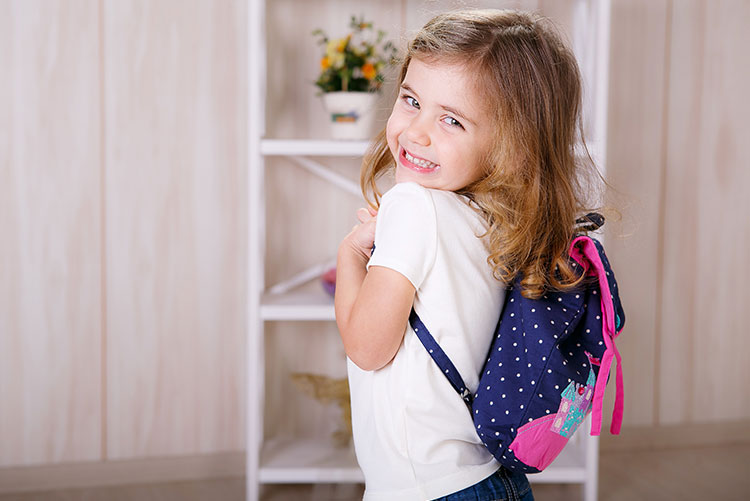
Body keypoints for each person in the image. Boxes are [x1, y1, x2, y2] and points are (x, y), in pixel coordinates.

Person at [335, 9, 601, 501]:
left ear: (511, 147)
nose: (416, 132)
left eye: (452, 120)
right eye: (411, 100)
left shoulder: (412, 206)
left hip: (427, 488)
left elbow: (367, 347)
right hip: (485, 478)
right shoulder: (495, 220)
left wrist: (351, 254)